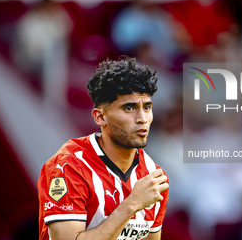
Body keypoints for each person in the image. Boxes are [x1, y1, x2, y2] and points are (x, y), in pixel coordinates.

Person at [38, 57, 169, 240]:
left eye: (147, 107)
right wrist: (131, 204)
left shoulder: (153, 176)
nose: (142, 118)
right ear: (100, 117)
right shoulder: (68, 166)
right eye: (129, 108)